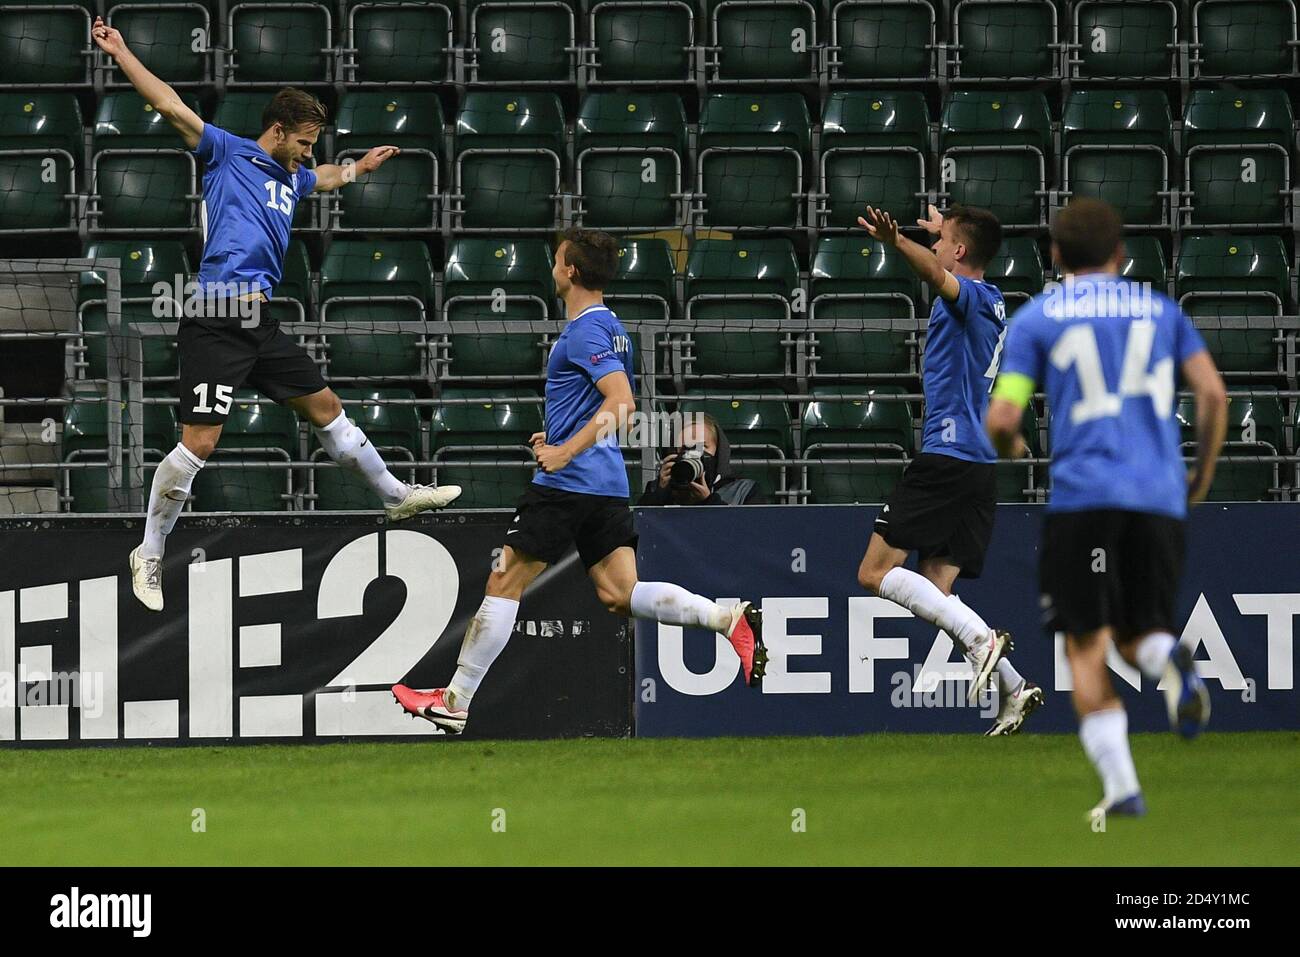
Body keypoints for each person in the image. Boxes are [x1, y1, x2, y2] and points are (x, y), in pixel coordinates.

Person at [92, 19, 461, 613]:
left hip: (259, 324)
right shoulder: (226, 153)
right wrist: (123, 52)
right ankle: (151, 551)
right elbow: (168, 103)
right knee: (199, 446)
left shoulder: (294, 176)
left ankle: (395, 495)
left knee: (328, 410)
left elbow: (329, 176)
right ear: (278, 130)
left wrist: (361, 168)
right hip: (214, 316)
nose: (309, 154)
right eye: (305, 142)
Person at [392, 229, 765, 733]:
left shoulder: (586, 331)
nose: (552, 266)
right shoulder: (613, 329)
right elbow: (602, 408)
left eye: (557, 259)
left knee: (504, 581)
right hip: (605, 484)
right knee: (620, 593)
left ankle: (455, 701)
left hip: (570, 482)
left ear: (570, 271)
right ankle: (726, 619)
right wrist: (561, 432)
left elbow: (622, 404)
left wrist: (565, 449)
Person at [987, 198, 1226, 818]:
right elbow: (1211, 392)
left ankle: (1122, 788)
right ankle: (1167, 660)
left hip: (1085, 503)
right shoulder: (1161, 310)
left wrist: (1010, 444)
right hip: (1158, 500)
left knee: (1085, 647)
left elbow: (1004, 415)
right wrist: (1197, 475)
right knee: (1138, 630)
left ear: (1057, 256)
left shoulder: (1039, 319)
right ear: (1121, 256)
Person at [855, 204, 1042, 735]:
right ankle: (1014, 685)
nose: (933, 245)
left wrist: (897, 243)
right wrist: (945, 229)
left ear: (960, 253)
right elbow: (950, 258)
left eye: (944, 241)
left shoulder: (973, 296)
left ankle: (986, 642)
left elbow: (938, 274)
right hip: (978, 467)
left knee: (872, 573)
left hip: (949, 455)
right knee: (937, 591)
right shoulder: (995, 301)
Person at [638, 413, 768, 506]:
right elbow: (641, 530)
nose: (693, 453)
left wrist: (709, 502)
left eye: (702, 446)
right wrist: (659, 494)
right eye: (685, 448)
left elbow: (750, 537)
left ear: (718, 452)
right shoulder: (658, 489)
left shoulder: (744, 491)